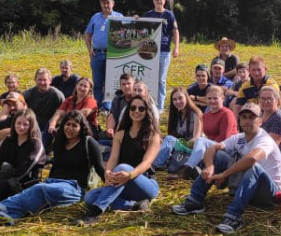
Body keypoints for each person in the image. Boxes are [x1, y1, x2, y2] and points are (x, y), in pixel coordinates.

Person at [0, 111, 105, 225]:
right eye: (67, 124)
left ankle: (0, 207)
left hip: (74, 188)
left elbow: (100, 168)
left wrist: (109, 190)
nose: (69, 128)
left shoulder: (88, 143)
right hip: (53, 184)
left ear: (81, 128)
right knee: (36, 194)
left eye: (74, 126)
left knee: (39, 189)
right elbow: (55, 165)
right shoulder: (60, 141)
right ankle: (4, 218)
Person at [172, 103, 281, 234]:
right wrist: (210, 167)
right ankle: (195, 200)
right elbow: (212, 148)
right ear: (239, 120)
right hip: (247, 185)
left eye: (251, 118)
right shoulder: (240, 138)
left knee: (253, 167)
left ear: (260, 121)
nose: (247, 121)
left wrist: (225, 174)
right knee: (218, 155)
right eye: (244, 117)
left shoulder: (264, 139)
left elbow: (251, 159)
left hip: (269, 193)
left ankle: (234, 217)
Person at [78, 95, 161, 225]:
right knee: (89, 197)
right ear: (128, 110)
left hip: (144, 183)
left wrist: (130, 175)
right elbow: (113, 158)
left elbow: (147, 162)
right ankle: (133, 205)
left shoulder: (153, 136)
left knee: (123, 167)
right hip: (122, 183)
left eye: (141, 108)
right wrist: (108, 173)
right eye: (133, 108)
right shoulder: (120, 134)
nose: (136, 111)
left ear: (147, 111)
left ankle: (95, 212)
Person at [180, 86, 238, 178]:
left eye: (215, 98)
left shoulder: (227, 114)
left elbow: (224, 138)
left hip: (226, 149)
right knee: (191, 143)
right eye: (209, 98)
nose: (212, 101)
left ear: (222, 98)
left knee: (200, 140)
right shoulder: (206, 116)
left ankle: (188, 167)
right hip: (210, 147)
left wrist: (205, 145)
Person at [143, 0, 180, 111]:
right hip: (150, 50)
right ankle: (148, 103)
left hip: (164, 51)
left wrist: (176, 47)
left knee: (161, 80)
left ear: (165, 1)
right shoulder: (149, 14)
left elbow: (175, 31)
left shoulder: (169, 15)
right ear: (153, 0)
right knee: (149, 78)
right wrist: (136, 19)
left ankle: (160, 106)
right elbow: (140, 28)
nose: (158, 1)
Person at [85, 0, 123, 109]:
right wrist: (89, 50)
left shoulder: (119, 16)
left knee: (110, 82)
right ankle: (96, 106)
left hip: (113, 54)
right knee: (97, 82)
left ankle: (108, 107)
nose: (106, 5)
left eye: (108, 2)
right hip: (98, 54)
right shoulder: (95, 17)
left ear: (113, 3)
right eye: (103, 3)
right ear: (101, 4)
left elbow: (129, 31)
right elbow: (87, 34)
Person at [155, 87, 204, 170]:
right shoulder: (176, 114)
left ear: (186, 98)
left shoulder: (196, 114)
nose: (177, 102)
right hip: (181, 144)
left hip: (192, 147)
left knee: (169, 139)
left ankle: (156, 164)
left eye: (180, 98)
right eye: (174, 99)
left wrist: (179, 144)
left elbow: (196, 138)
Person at [22, 68, 65, 133]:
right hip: (32, 124)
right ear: (35, 80)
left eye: (44, 80)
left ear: (50, 81)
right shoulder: (28, 93)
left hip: (50, 126)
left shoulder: (57, 95)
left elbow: (63, 111)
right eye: (39, 80)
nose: (42, 83)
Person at [259, 86, 281, 164]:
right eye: (263, 98)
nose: (266, 101)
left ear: (277, 101)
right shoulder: (259, 114)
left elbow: (271, 145)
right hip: (261, 152)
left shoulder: (280, 118)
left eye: (270, 99)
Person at [105, 73, 136, 138]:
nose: (126, 86)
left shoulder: (140, 100)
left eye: (128, 83)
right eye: (123, 84)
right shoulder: (117, 99)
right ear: (120, 86)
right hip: (117, 133)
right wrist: (110, 128)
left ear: (134, 84)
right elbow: (112, 115)